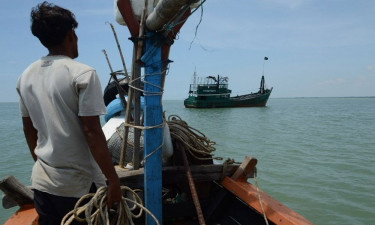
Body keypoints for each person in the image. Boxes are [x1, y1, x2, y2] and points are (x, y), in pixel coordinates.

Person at [16, 2, 122, 224]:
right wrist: (113, 181)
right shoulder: (83, 74)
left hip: (42, 184)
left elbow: (29, 130)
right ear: (70, 34)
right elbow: (92, 131)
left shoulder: (25, 77)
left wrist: (43, 164)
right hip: (78, 187)